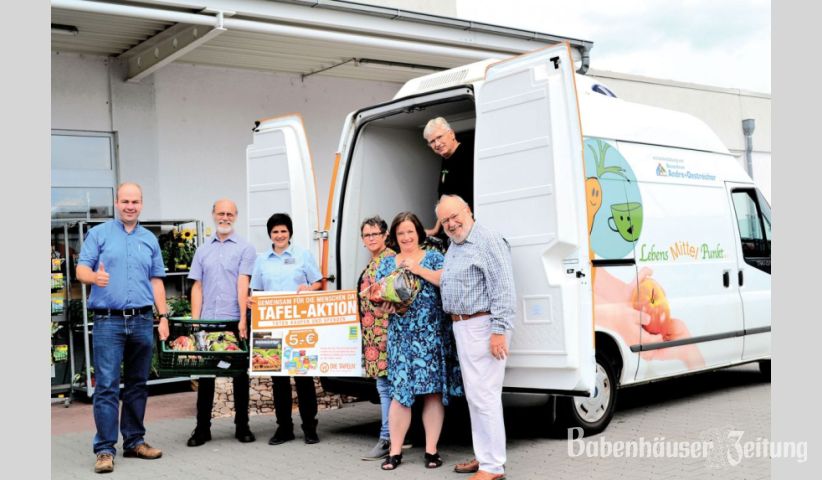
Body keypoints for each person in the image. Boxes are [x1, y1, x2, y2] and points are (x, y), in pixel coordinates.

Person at [75, 182, 169, 474]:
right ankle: (104, 449)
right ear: (117, 203)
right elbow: (80, 269)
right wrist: (93, 278)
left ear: (141, 204)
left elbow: (156, 280)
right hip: (108, 321)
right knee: (106, 386)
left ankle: (134, 441)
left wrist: (163, 316)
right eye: (125, 201)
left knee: (138, 384)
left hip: (142, 320)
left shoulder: (149, 239)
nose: (130, 206)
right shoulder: (99, 234)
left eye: (135, 201)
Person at [436, 194, 515, 480]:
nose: (451, 223)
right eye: (445, 220)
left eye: (454, 216)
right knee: (475, 396)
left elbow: (504, 288)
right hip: (464, 327)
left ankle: (492, 467)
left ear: (468, 210)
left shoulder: (488, 240)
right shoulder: (455, 245)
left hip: (483, 326)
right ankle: (485, 457)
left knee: (485, 396)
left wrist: (499, 331)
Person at [376, 212, 462, 471]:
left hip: (430, 335)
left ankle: (431, 450)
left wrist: (418, 269)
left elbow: (445, 281)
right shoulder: (387, 264)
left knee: (432, 393)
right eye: (400, 233)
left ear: (418, 233)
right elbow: (380, 301)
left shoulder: (434, 257)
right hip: (401, 336)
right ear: (395, 236)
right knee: (399, 394)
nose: (406, 237)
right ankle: (394, 451)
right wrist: (386, 307)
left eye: (410, 232)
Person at [186, 199, 258, 447]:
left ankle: (242, 426)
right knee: (206, 378)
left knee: (239, 375)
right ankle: (202, 429)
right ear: (213, 215)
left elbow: (243, 283)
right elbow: (197, 286)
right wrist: (196, 323)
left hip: (232, 321)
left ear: (236, 216)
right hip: (208, 321)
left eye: (229, 213)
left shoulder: (245, 248)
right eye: (220, 213)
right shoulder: (202, 249)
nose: (225, 217)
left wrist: (241, 320)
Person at [250, 213, 323, 445]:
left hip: (299, 326)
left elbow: (319, 282)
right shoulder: (261, 260)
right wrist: (252, 302)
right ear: (270, 234)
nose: (279, 235)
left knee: (304, 378)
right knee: (278, 381)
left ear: (289, 232)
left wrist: (310, 289)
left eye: (283, 231)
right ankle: (284, 428)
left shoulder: (303, 255)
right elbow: (257, 292)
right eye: (275, 231)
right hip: (271, 328)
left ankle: (310, 427)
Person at [356, 216, 397, 460]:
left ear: (384, 235)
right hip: (373, 334)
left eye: (375, 234)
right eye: (366, 235)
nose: (371, 238)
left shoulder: (390, 260)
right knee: (386, 386)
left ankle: (387, 437)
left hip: (385, 333)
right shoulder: (375, 261)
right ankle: (396, 435)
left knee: (385, 387)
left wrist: (385, 334)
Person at [423, 117, 474, 237]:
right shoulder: (446, 158)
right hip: (455, 229)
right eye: (432, 141)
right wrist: (435, 230)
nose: (437, 144)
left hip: (469, 228)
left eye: (439, 137)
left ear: (451, 134)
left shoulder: (468, 154)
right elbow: (444, 198)